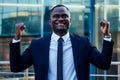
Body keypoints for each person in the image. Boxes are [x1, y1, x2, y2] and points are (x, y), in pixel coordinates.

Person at [9, 4, 114, 80]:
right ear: (50, 22)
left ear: (70, 21)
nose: (60, 19)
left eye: (64, 16)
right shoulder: (38, 45)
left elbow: (103, 64)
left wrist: (106, 36)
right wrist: (17, 39)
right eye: (56, 16)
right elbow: (16, 67)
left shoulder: (83, 43)